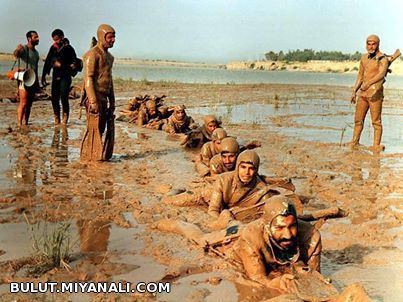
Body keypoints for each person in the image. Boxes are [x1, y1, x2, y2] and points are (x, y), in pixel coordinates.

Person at [163, 150, 301, 218]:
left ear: (256, 170)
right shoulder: (224, 180)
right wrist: (224, 223)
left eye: (251, 168)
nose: (246, 172)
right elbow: (213, 211)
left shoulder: (261, 190)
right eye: (243, 167)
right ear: (237, 167)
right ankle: (175, 191)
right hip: (208, 196)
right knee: (169, 201)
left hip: (230, 207)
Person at [80, 24, 116, 161]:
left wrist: (112, 101)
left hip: (104, 98)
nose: (113, 40)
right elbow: (88, 77)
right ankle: (90, 156)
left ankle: (96, 154)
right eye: (110, 37)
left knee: (101, 128)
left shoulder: (110, 57)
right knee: (93, 129)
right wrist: (93, 101)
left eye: (114, 37)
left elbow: (110, 80)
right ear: (102, 37)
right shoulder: (92, 55)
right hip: (94, 97)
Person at [350, 34, 389, 152]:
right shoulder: (364, 58)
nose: (371, 46)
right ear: (366, 44)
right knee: (358, 119)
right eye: (369, 43)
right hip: (363, 94)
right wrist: (354, 91)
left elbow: (381, 74)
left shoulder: (383, 58)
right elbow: (360, 76)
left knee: (376, 121)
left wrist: (369, 83)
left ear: (378, 44)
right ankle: (355, 142)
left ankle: (376, 145)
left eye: (373, 44)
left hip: (375, 94)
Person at [42, 29, 78, 125]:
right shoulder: (53, 48)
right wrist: (43, 76)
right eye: (54, 40)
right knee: (54, 98)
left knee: (64, 97)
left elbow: (74, 65)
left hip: (65, 77)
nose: (56, 42)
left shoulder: (69, 48)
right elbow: (48, 61)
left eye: (57, 39)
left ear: (62, 37)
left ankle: (65, 118)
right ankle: (56, 117)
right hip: (56, 76)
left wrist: (62, 65)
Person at [13, 30, 40, 127]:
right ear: (29, 39)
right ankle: (19, 124)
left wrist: (37, 83)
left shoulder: (36, 53)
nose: (38, 39)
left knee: (29, 104)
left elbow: (36, 69)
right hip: (23, 80)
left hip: (32, 80)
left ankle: (26, 123)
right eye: (35, 37)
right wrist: (17, 49)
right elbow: (16, 54)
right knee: (23, 102)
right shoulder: (24, 49)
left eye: (37, 37)